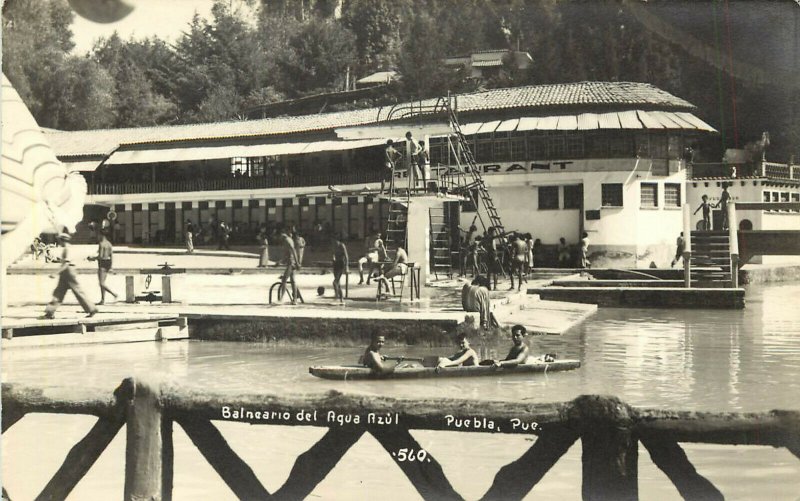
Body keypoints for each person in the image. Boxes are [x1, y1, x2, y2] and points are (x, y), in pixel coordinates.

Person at [43, 233, 98, 319]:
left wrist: (56, 273)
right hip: (67, 271)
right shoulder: (69, 248)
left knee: (76, 291)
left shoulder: (67, 249)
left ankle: (91, 309)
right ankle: (50, 311)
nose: (58, 242)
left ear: (62, 240)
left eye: (59, 240)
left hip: (68, 271)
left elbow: (66, 263)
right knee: (59, 292)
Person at [87, 230, 118, 305]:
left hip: (102, 264)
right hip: (108, 264)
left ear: (102, 235)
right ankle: (103, 300)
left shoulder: (101, 244)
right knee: (102, 282)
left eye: (99, 235)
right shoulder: (109, 244)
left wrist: (92, 258)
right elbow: (111, 256)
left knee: (101, 283)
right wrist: (111, 266)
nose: (98, 237)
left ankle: (114, 294)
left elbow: (100, 256)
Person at [278, 225, 300, 305]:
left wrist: (297, 263)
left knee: (284, 280)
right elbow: (287, 254)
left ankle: (281, 298)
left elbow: (293, 251)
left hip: (291, 263)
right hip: (291, 262)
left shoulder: (287, 240)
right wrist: (280, 262)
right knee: (293, 281)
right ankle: (295, 299)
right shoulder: (288, 240)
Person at [332, 235, 349, 304]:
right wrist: (333, 258)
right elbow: (333, 254)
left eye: (335, 241)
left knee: (335, 282)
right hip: (335, 264)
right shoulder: (334, 246)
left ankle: (337, 296)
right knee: (337, 283)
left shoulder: (342, 245)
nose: (334, 242)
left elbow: (346, 256)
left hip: (341, 264)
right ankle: (341, 298)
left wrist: (347, 267)